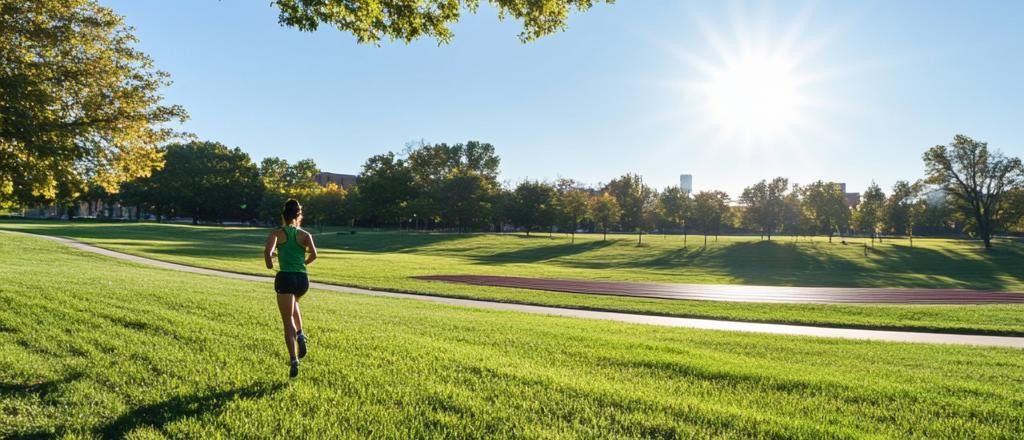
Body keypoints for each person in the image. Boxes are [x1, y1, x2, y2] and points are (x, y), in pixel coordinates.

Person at [264, 199, 318, 378]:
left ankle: (294, 359)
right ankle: (301, 335)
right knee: (294, 305)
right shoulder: (305, 234)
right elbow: (314, 254)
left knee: (287, 320)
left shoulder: (277, 233)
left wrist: (270, 263)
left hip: (285, 277)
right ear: (298, 215)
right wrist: (303, 262)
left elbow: (267, 251)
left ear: (283, 215)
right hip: (302, 279)